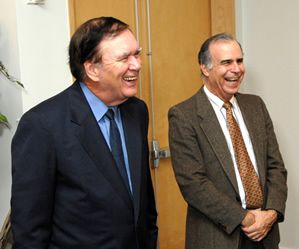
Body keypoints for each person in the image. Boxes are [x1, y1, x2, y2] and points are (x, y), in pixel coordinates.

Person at [11, 17, 158, 249]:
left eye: (136, 54)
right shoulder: (42, 125)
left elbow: (144, 202)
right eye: (124, 58)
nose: (137, 64)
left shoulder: (137, 111)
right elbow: (30, 230)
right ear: (92, 69)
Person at [168, 33, 287, 249]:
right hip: (218, 237)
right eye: (226, 62)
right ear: (205, 68)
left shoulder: (255, 106)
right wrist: (246, 218)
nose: (236, 69)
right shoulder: (184, 115)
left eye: (239, 61)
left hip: (265, 235)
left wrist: (271, 213)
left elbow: (276, 166)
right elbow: (193, 184)